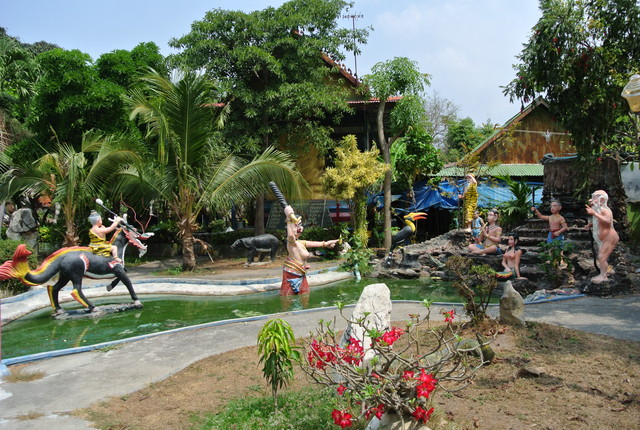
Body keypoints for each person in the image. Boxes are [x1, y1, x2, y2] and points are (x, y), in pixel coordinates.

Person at [281, 205, 340, 296]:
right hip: (291, 278)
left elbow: (318, 244)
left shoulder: (300, 243)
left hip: (301, 276)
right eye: (296, 226)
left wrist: (327, 244)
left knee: (305, 297)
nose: (300, 228)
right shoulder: (291, 243)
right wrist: (289, 218)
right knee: (290, 299)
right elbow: (291, 235)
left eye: (300, 225)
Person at [585, 190, 619, 283]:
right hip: (604, 237)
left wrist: (594, 213)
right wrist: (591, 225)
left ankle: (604, 276)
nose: (591, 200)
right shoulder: (599, 210)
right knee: (601, 257)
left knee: (602, 256)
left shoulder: (605, 210)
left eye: (594, 198)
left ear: (602, 199)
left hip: (610, 237)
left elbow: (607, 221)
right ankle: (602, 274)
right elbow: (600, 222)